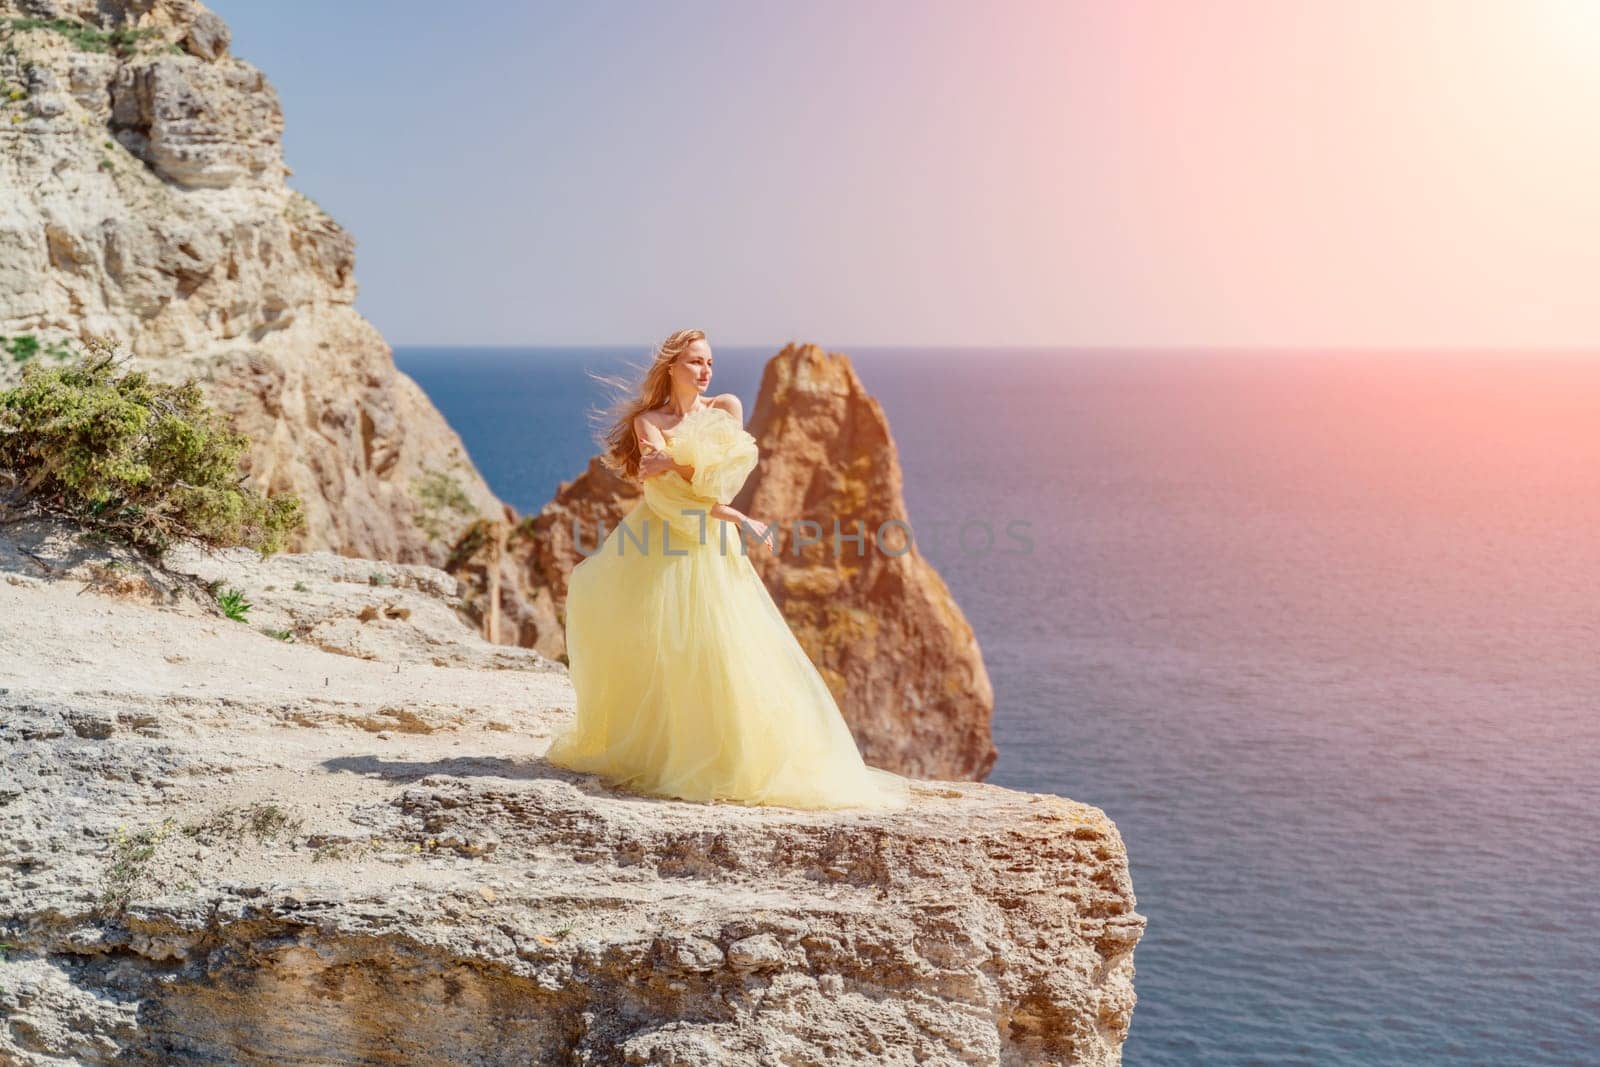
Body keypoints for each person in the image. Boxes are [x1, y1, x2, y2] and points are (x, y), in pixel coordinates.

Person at [543, 328, 912, 811]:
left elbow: (717, 482)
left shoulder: (726, 409)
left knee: (725, 644)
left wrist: (681, 469)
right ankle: (668, 751)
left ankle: (728, 757)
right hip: (660, 538)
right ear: (672, 366)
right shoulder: (646, 420)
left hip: (707, 543)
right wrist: (702, 486)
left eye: (710, 362)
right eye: (695, 361)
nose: (705, 371)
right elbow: (664, 488)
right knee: (660, 642)